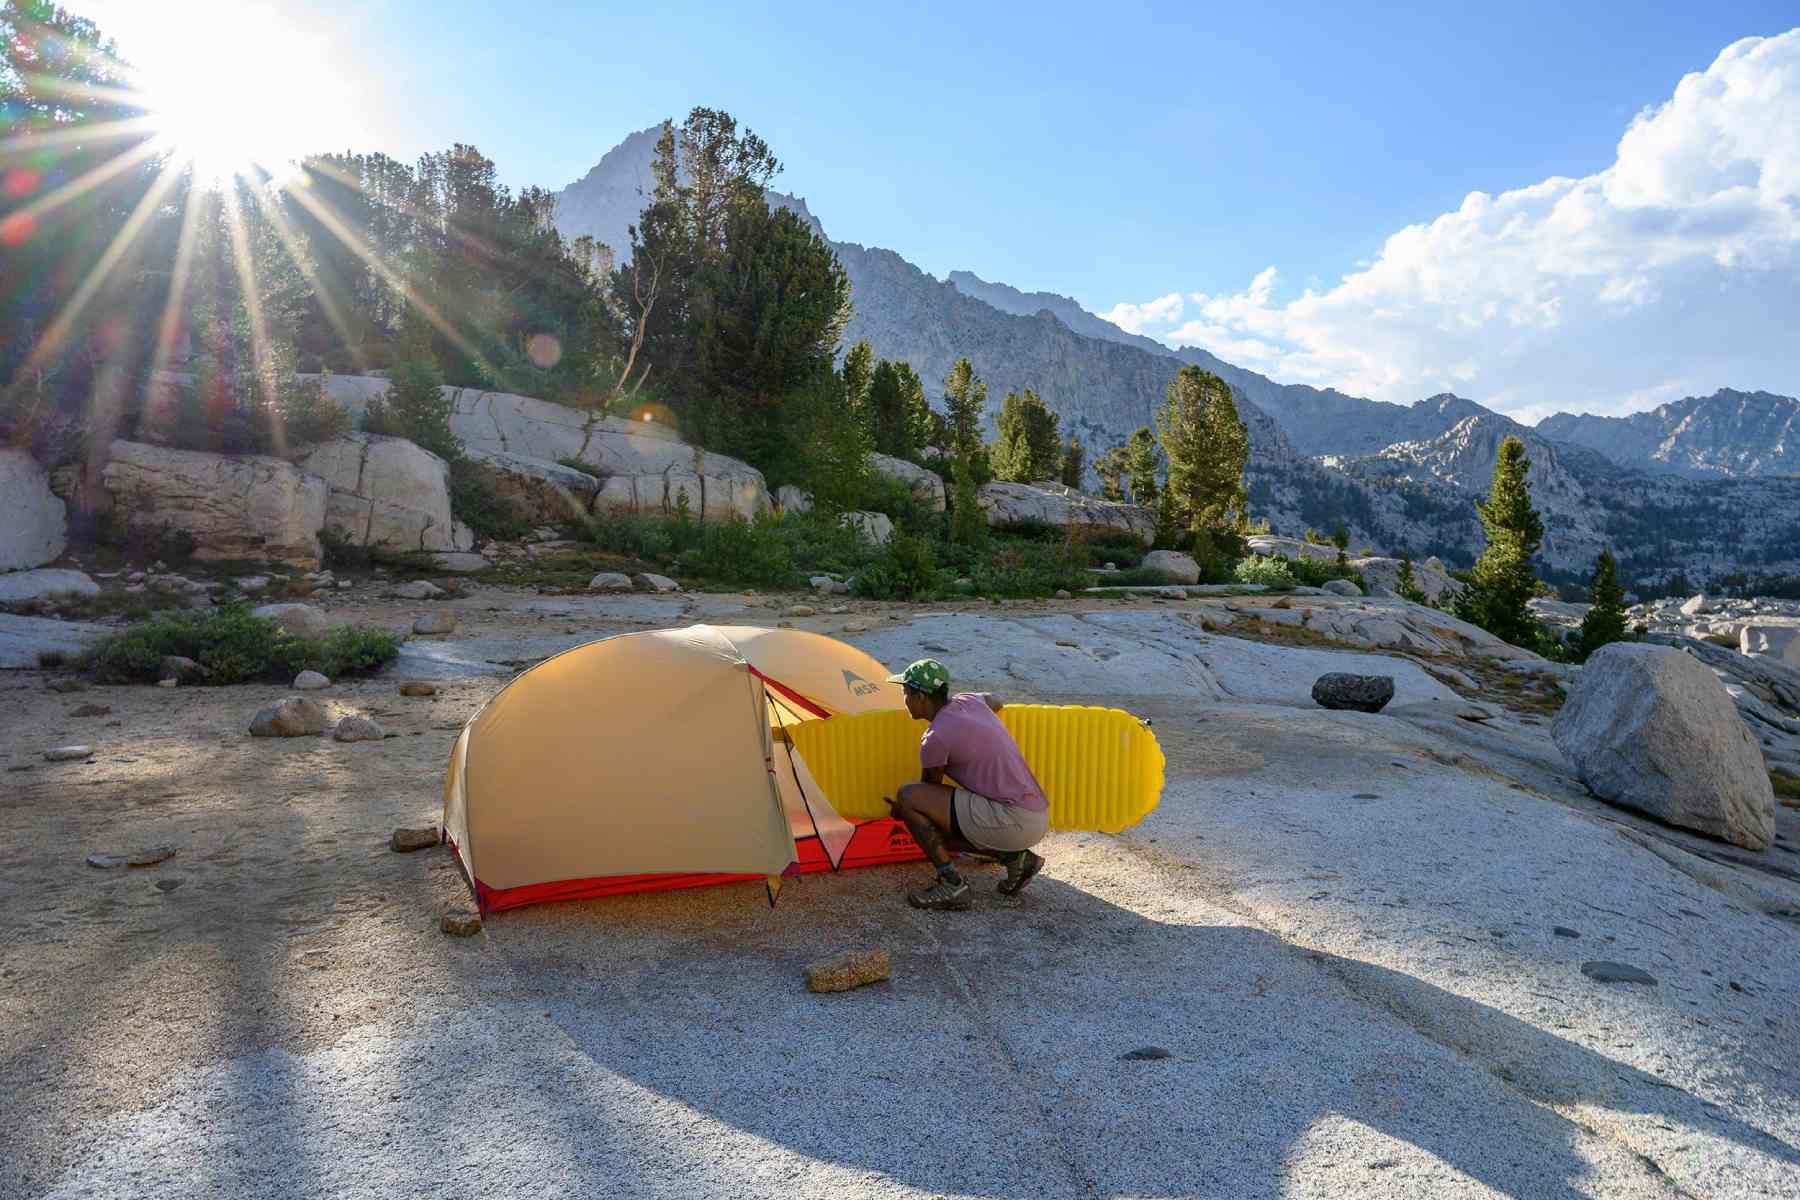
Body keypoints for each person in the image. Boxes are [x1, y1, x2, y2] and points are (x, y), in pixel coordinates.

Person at [882, 658, 1049, 911]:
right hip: (1036, 816)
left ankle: (953, 884)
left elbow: (927, 796)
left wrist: (902, 810)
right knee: (931, 819)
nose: (904, 700)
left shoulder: (935, 737)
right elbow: (996, 701)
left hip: (1013, 821)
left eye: (905, 693)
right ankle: (1018, 858)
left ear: (920, 697)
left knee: (910, 801)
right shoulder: (970, 701)